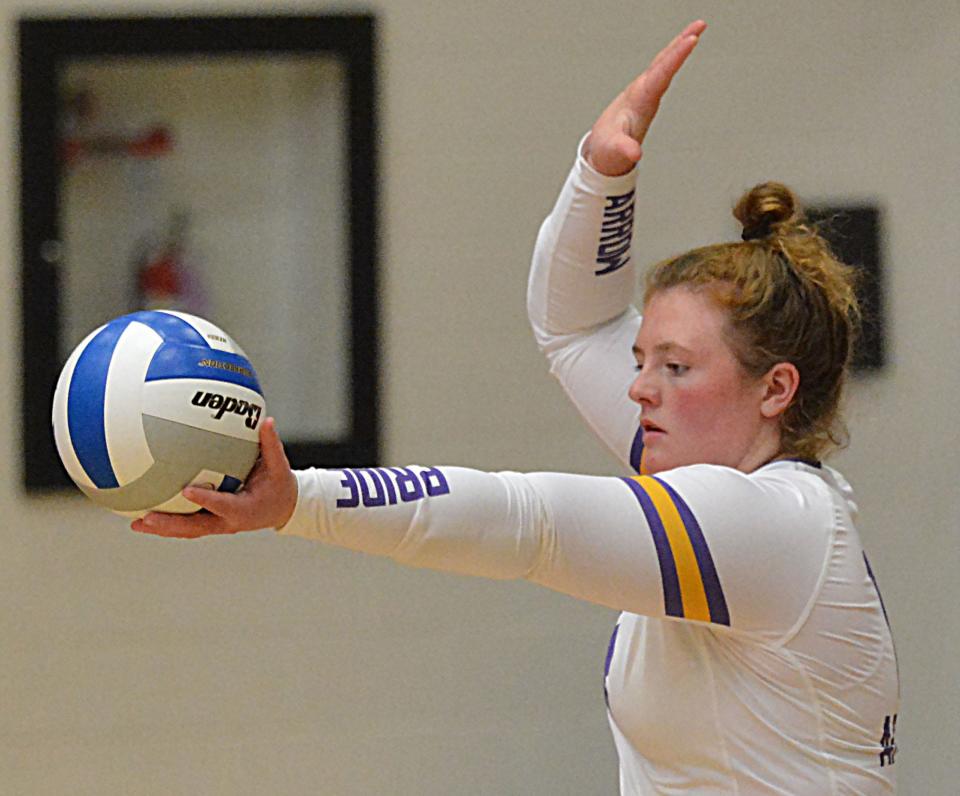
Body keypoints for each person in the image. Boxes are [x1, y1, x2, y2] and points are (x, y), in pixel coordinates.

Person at [132, 20, 900, 794]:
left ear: (775, 389)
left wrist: (299, 499)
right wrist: (600, 175)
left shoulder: (771, 525)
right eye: (642, 361)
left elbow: (531, 522)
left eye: (675, 366)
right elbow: (576, 325)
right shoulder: (721, 477)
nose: (639, 388)